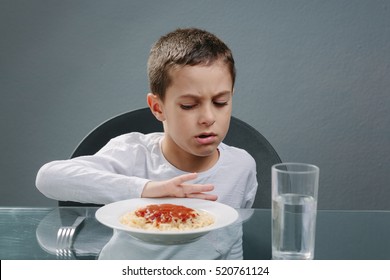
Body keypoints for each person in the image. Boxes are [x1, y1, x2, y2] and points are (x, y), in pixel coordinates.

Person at [36, 28, 257, 209]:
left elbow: (232, 238)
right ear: (157, 107)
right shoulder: (133, 153)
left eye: (220, 102)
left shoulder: (242, 165)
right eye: (189, 105)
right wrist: (147, 189)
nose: (208, 118)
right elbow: (48, 178)